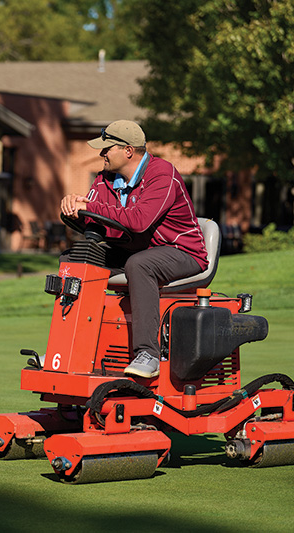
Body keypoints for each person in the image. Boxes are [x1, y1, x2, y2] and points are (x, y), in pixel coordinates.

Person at [60, 120, 208, 378]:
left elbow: (139, 221)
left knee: (140, 264)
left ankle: (148, 354)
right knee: (75, 258)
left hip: (182, 251)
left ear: (128, 150)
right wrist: (74, 210)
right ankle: (67, 348)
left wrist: (89, 208)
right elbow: (96, 217)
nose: (101, 154)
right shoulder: (104, 179)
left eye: (107, 149)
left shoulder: (162, 174)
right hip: (136, 249)